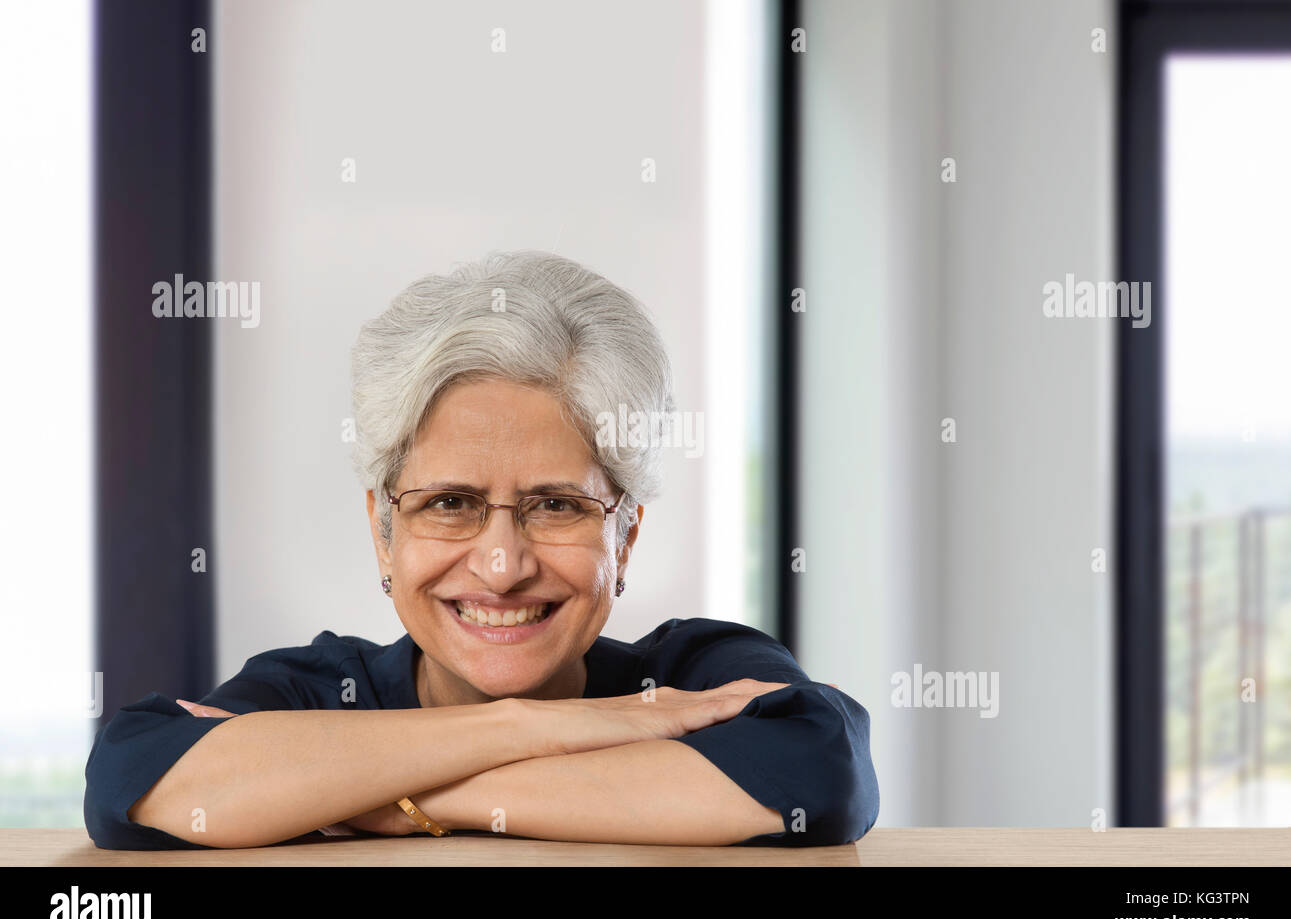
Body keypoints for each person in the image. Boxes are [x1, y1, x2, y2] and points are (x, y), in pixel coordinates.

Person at [83, 250, 880, 849]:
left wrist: (389, 795)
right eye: (451, 504)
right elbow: (137, 776)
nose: (502, 567)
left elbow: (821, 773)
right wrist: (532, 728)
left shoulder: (690, 676)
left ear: (624, 536)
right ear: (382, 531)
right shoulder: (320, 688)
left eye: (557, 506)